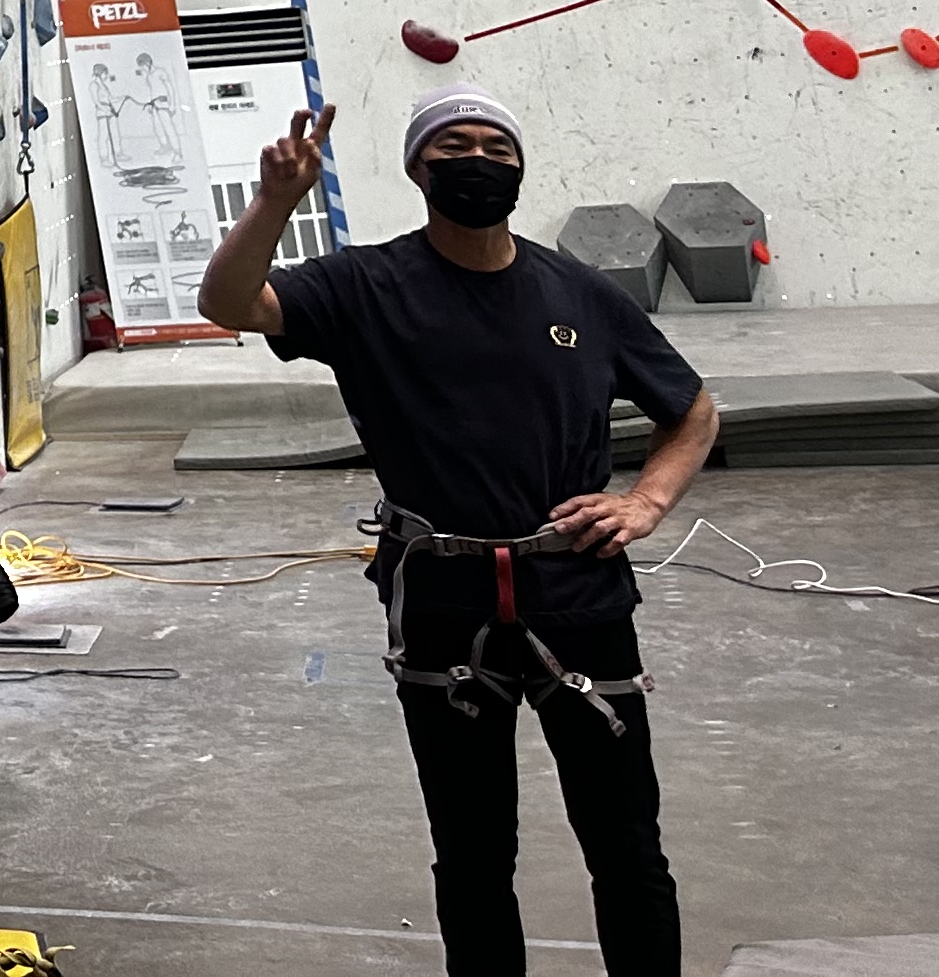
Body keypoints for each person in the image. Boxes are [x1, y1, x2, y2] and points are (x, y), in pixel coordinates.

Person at [199, 89, 718, 977]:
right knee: (473, 854)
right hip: (443, 601)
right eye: (454, 147)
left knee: (626, 842)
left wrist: (646, 503)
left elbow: (693, 410)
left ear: (519, 168)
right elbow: (230, 302)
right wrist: (276, 201)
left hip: (577, 593)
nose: (478, 162)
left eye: (495, 148)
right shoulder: (364, 287)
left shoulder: (580, 294)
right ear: (418, 169)